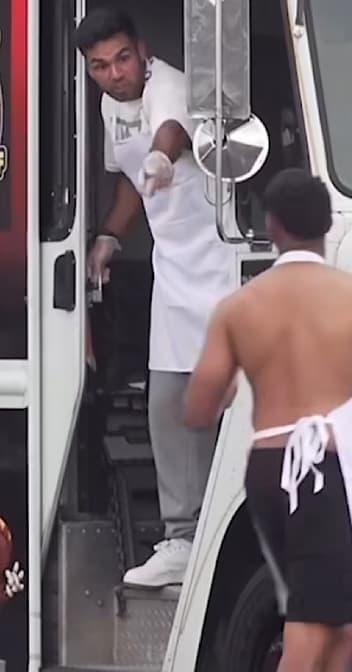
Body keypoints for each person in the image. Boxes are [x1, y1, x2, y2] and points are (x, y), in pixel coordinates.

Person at [76, 7, 239, 587]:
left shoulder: (167, 83)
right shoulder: (104, 105)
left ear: (141, 50)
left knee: (233, 410)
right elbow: (126, 179)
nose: (116, 73)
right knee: (168, 407)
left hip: (222, 266)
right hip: (173, 274)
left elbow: (170, 133)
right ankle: (181, 540)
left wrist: (162, 157)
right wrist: (109, 237)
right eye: (100, 66)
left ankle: (237, 539)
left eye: (123, 58)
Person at [184, 169, 352, 672]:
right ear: (326, 226)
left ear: (273, 227)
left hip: (265, 468)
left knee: (338, 619)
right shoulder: (346, 296)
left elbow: (198, 409)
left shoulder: (239, 307)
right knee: (310, 623)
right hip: (320, 469)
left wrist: (236, 386)